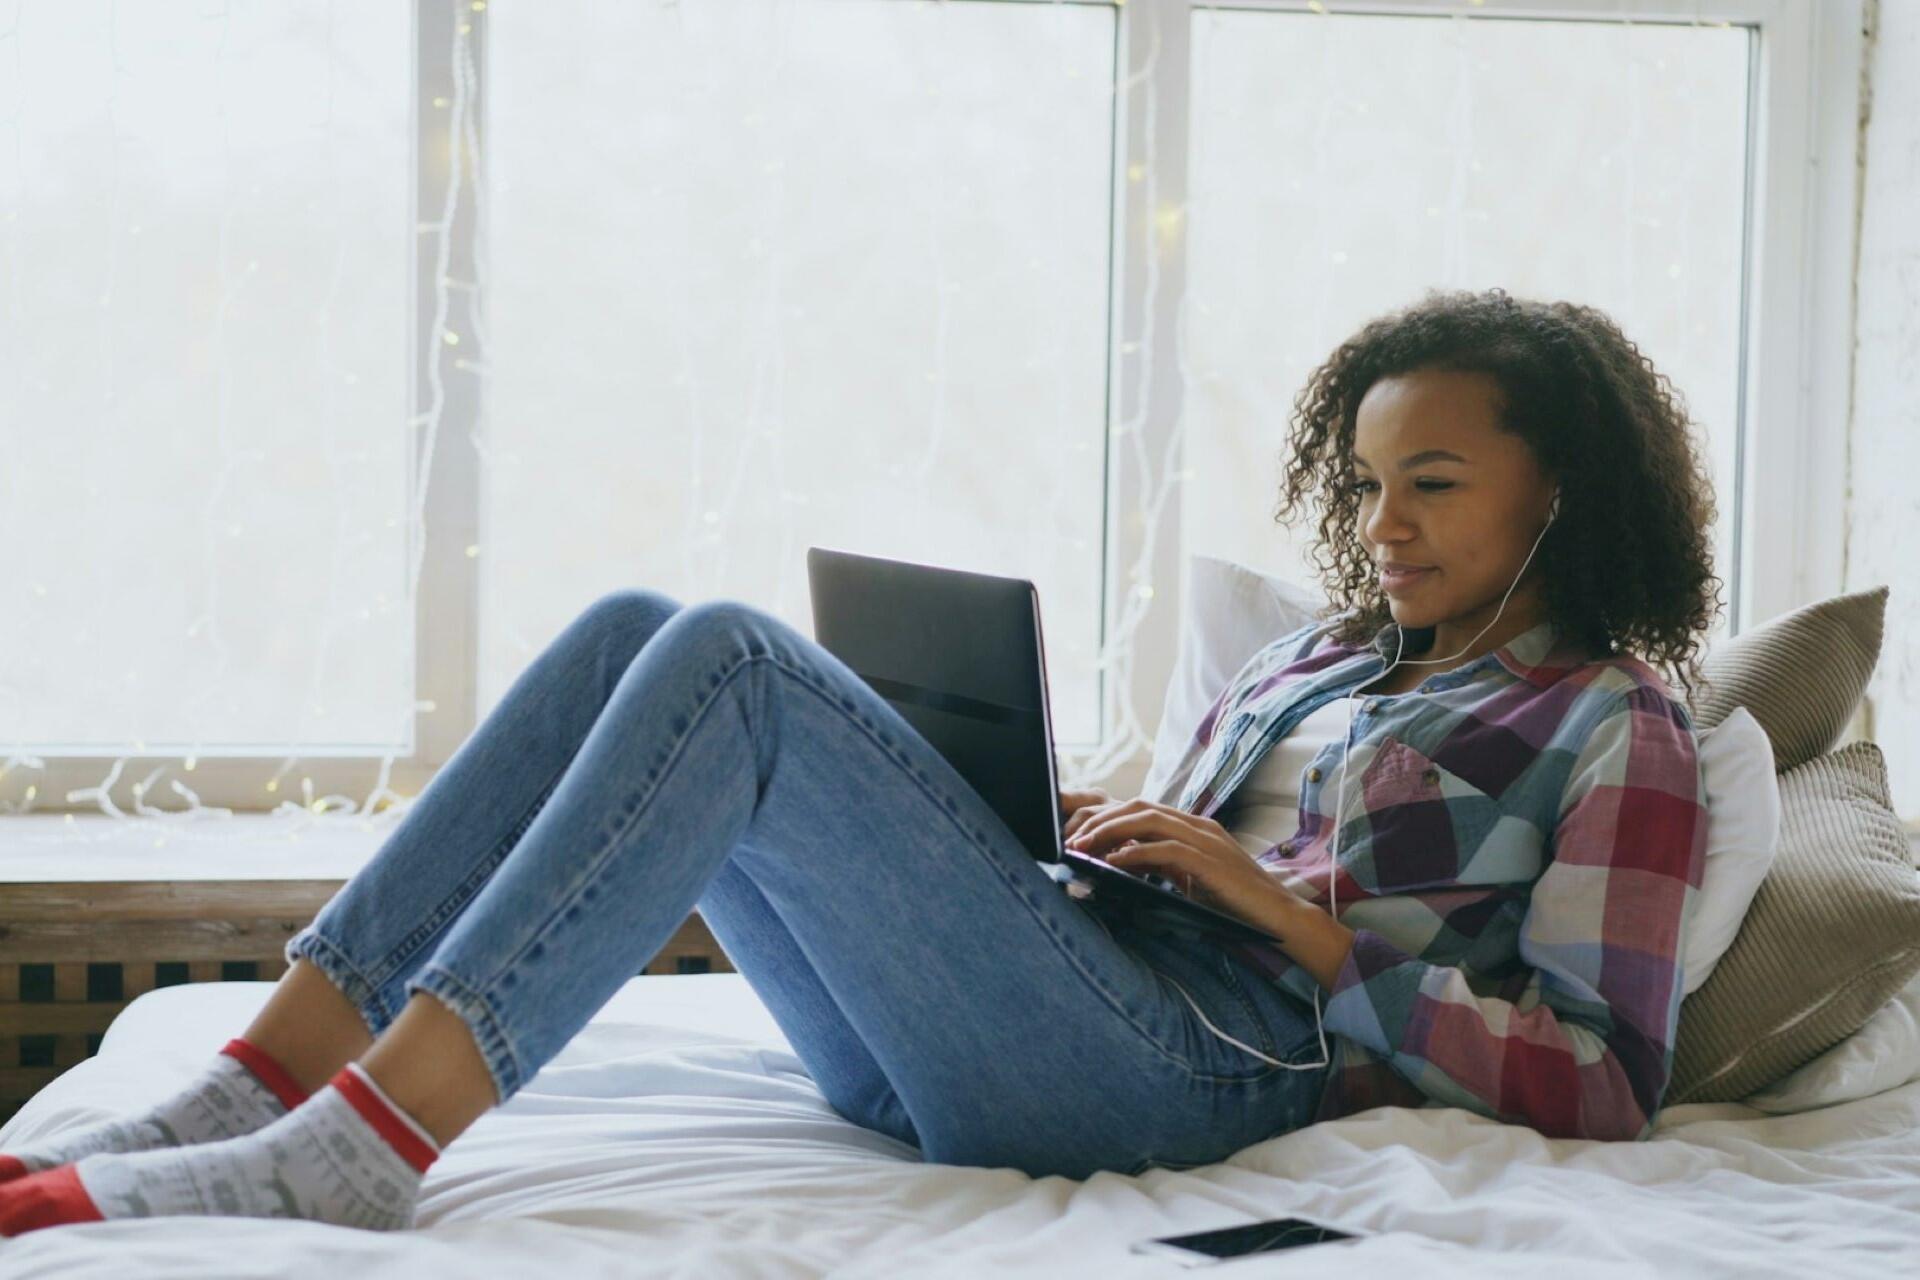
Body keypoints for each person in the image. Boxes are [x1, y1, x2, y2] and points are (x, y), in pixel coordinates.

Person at [0, 287, 1719, 1235]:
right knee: (631, 627)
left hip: (1210, 1071)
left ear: (1562, 487)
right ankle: (254, 1088)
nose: (1380, 521)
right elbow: (1188, 866)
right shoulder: (1317, 654)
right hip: (1045, 1017)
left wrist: (1298, 927)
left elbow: (1602, 1078)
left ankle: (373, 1138)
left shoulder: (1609, 723)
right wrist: (1066, 839)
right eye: (1362, 481)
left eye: (1429, 481)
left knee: (733, 665)